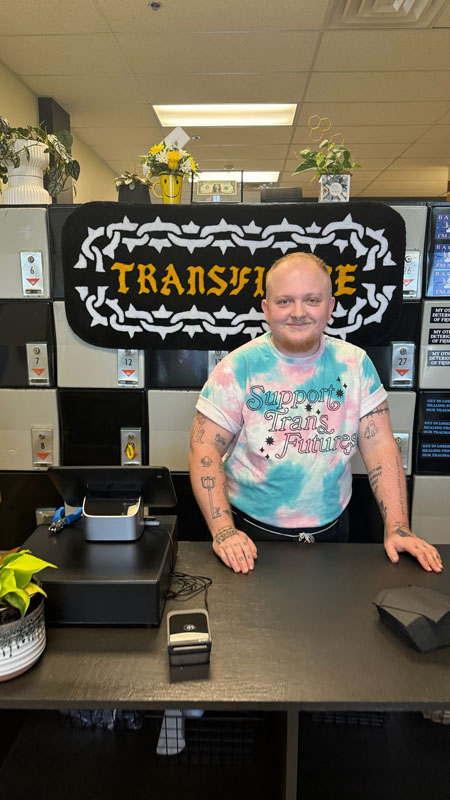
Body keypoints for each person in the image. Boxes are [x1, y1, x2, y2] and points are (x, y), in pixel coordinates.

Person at [189, 252, 443, 575]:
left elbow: (379, 446)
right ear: (266, 309)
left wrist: (399, 527)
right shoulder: (237, 368)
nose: (298, 313)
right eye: (284, 301)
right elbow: (204, 448)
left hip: (334, 536)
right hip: (251, 541)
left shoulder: (355, 364)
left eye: (311, 300)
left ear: (330, 306)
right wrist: (223, 531)